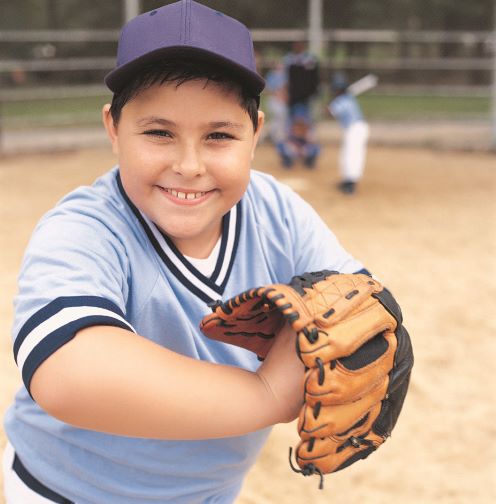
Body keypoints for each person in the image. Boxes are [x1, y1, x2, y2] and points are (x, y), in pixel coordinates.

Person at [3, 2, 372, 502]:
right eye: (159, 133)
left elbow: (362, 304)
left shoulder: (277, 212)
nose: (189, 165)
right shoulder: (88, 227)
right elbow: (67, 373)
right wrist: (265, 395)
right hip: (66, 490)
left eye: (219, 136)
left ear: (256, 134)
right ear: (113, 128)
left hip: (210, 493)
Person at [328, 72, 370, 195]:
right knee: (346, 154)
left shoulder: (342, 101)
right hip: (354, 129)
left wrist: (330, 103)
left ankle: (351, 183)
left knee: (353, 155)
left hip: (356, 128)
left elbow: (329, 112)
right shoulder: (347, 98)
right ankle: (347, 180)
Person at [264, 60, 288, 145]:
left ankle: (277, 137)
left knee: (282, 118)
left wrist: (283, 95)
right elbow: (268, 89)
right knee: (276, 118)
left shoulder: (285, 75)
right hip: (273, 99)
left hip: (282, 100)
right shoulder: (271, 75)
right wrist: (276, 94)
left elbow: (286, 89)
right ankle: (274, 136)